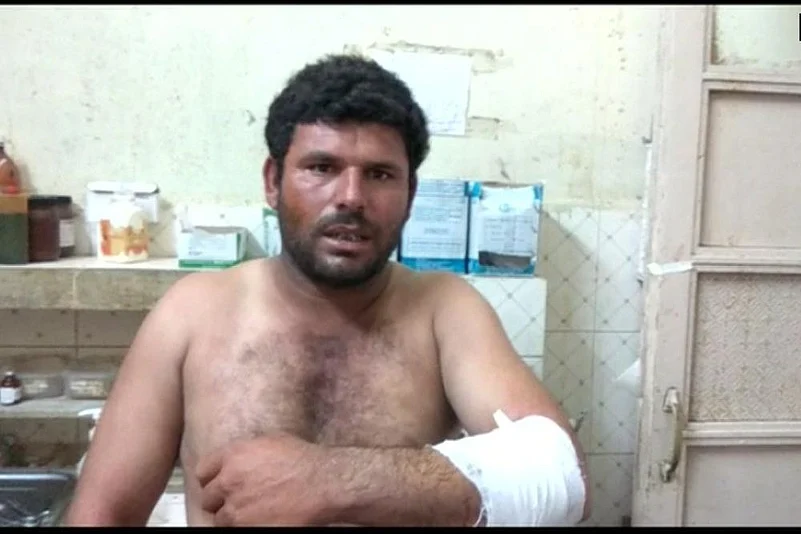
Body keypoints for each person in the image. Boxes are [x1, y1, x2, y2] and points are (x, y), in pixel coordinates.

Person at [64, 53, 589, 527]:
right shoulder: (192, 314)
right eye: (322, 167)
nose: (351, 197)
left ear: (410, 195)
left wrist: (331, 481)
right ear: (273, 181)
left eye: (380, 174)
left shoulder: (444, 311)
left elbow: (560, 475)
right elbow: (102, 515)